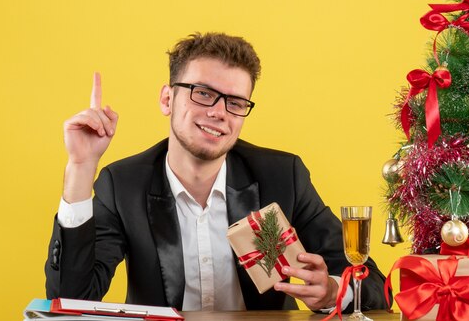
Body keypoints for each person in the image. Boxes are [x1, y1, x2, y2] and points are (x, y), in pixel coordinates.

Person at [45, 32, 387, 312]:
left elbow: (372, 284)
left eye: (235, 102)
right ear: (167, 99)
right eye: (203, 93)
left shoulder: (283, 176)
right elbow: (72, 300)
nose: (219, 112)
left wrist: (331, 292)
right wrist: (80, 168)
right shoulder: (123, 184)